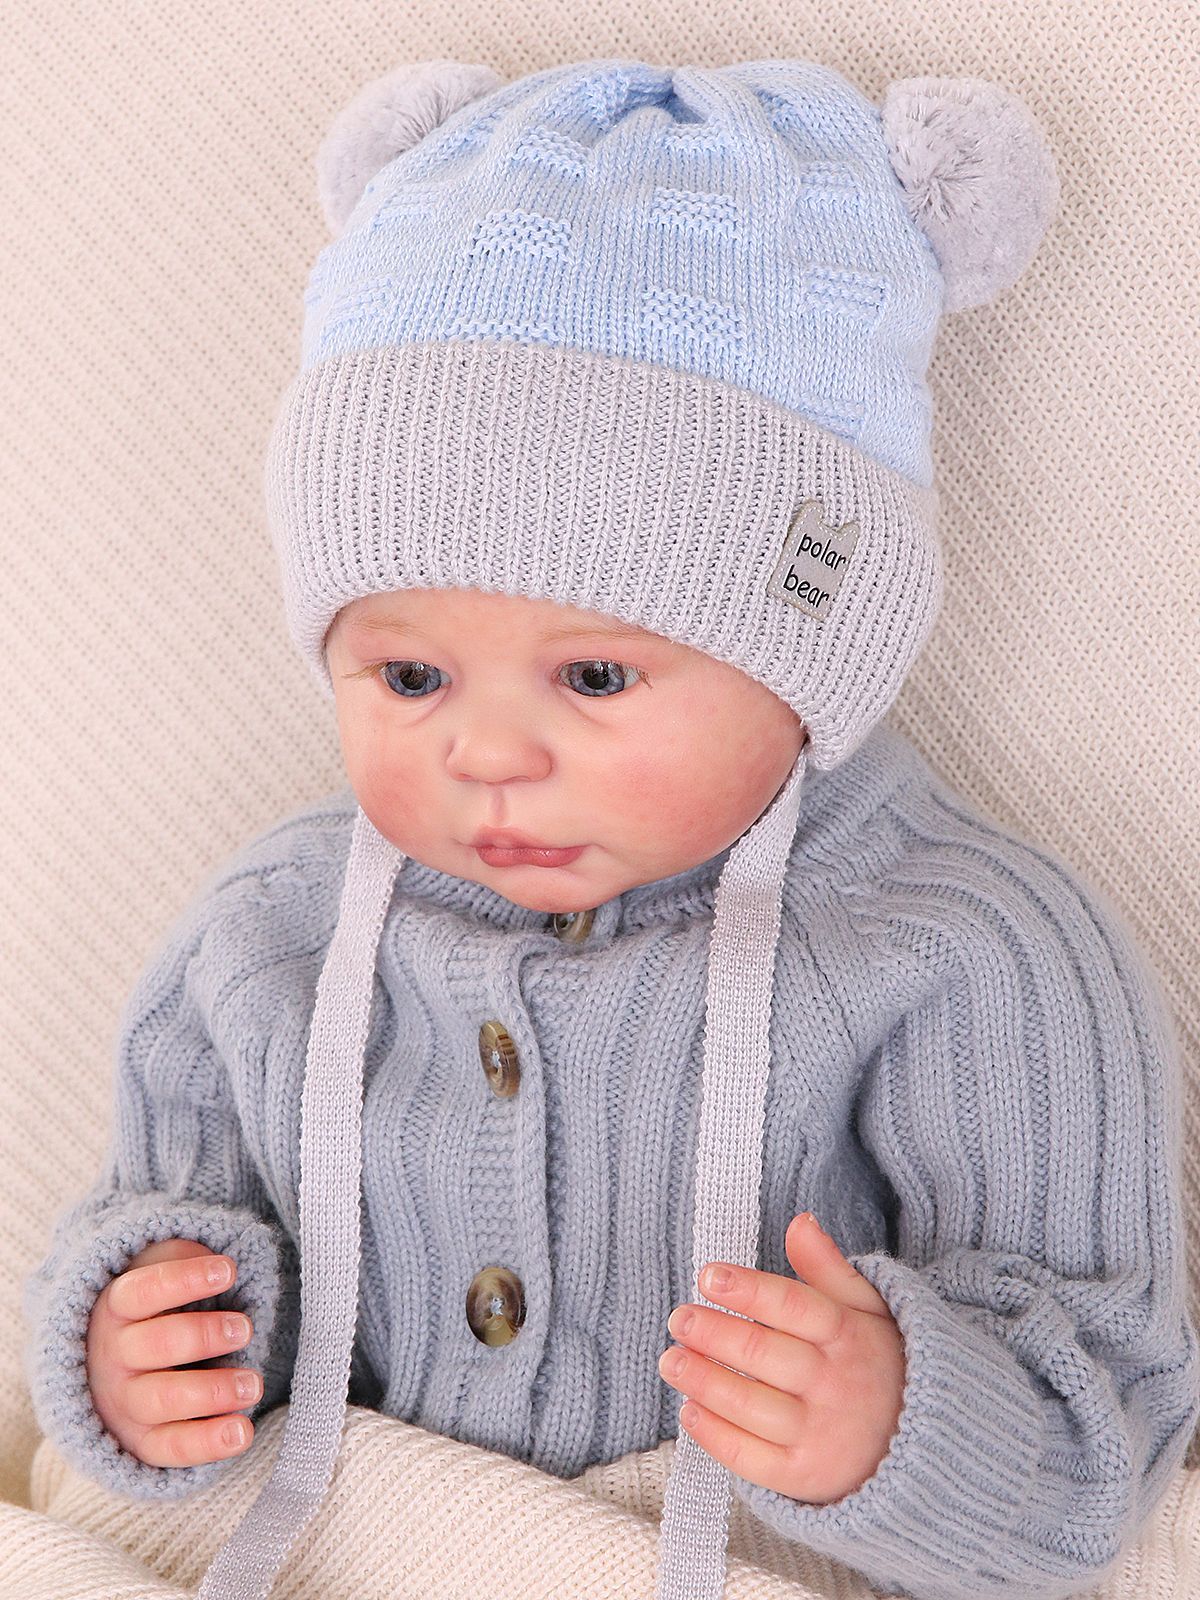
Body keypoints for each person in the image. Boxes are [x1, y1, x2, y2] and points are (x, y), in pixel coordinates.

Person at [22, 56, 1200, 1600]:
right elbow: (159, 1226)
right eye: (410, 675)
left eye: (593, 676)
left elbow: (1104, 1434)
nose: (487, 752)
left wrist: (899, 1424)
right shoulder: (272, 930)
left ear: (808, 643)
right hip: (341, 1538)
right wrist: (137, 1352)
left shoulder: (972, 952)